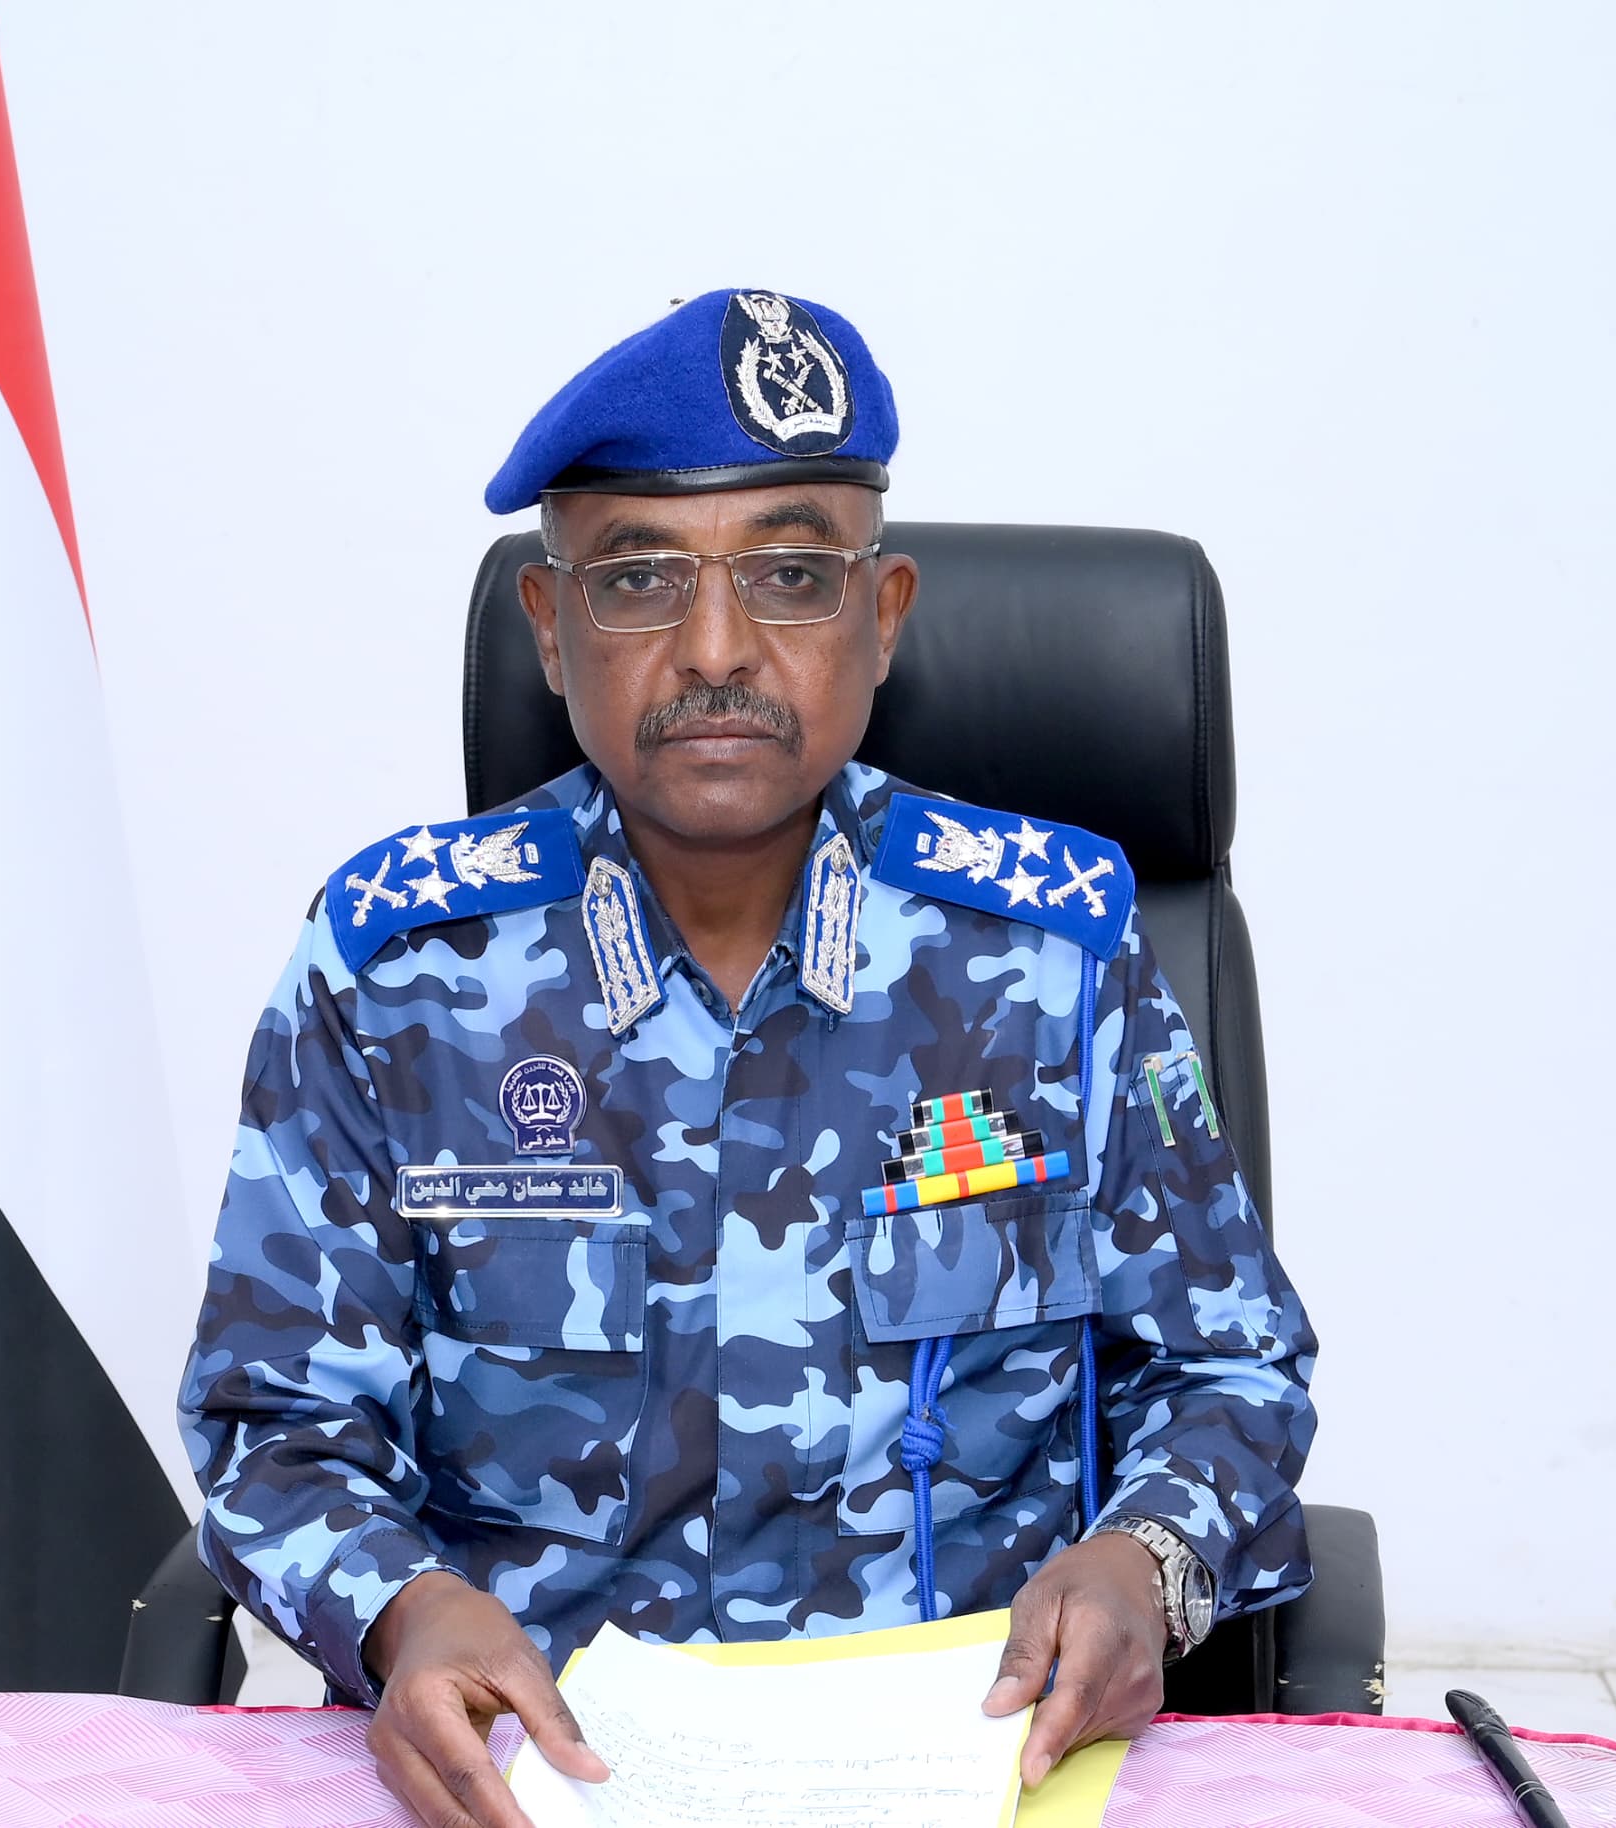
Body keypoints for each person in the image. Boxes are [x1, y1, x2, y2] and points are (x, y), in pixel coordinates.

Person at [180, 289, 1315, 1828]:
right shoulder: (394, 972)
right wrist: (405, 1613)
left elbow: (1228, 1366)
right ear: (550, 626)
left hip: (963, 1765)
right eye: (639, 579)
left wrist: (1145, 1563)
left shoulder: (1054, 953)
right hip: (535, 1776)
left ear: (884, 612)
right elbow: (275, 1422)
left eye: (790, 575)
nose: (715, 651)